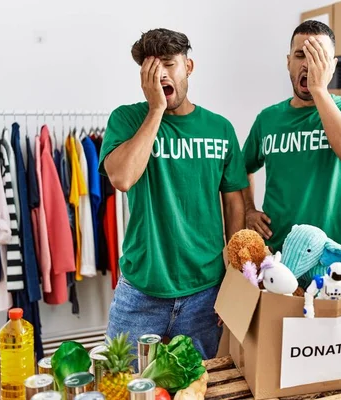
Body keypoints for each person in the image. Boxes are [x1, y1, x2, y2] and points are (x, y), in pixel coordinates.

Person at [98, 28, 248, 361]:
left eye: (169, 63)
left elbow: (234, 202)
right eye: (152, 68)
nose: (162, 74)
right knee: (122, 384)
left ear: (189, 66)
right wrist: (155, 111)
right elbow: (121, 178)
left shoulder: (220, 128)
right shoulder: (127, 119)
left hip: (205, 290)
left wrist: (235, 278)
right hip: (140, 291)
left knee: (193, 387)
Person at [241, 20, 341, 254]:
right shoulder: (267, 118)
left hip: (335, 254)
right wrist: (249, 210)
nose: (308, 64)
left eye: (318, 56)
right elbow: (241, 169)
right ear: (288, 62)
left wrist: (319, 90)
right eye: (300, 55)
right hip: (277, 253)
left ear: (332, 66)